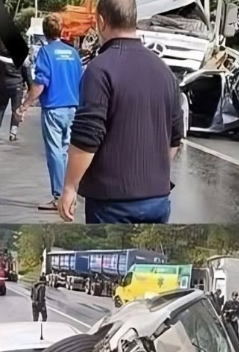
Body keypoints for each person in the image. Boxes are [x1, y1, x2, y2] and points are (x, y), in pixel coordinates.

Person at [57, 0, 184, 224]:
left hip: (112, 203)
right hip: (157, 199)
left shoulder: (100, 69)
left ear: (101, 22)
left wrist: (69, 187)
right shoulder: (164, 71)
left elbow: (87, 137)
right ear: (134, 19)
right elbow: (174, 138)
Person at [16, 14, 83, 212]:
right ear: (61, 30)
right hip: (73, 108)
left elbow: (40, 84)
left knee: (54, 153)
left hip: (54, 108)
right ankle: (70, 194)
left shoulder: (46, 52)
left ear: (45, 32)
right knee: (65, 152)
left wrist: (24, 106)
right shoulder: (73, 53)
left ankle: (59, 197)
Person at [0, 43, 32, 141]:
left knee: (0, 108)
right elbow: (27, 74)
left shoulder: (1, 58)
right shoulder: (22, 59)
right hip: (17, 86)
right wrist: (30, 87)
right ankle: (13, 134)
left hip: (4, 85)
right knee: (16, 109)